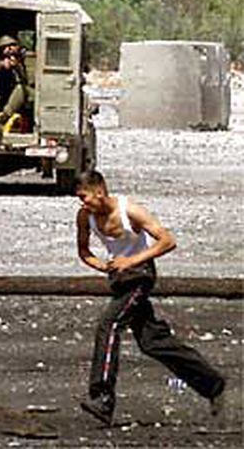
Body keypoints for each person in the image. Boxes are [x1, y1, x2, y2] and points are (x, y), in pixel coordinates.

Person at [75, 170, 225, 427]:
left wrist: (130, 261)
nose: (82, 203)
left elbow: (168, 241)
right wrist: (104, 266)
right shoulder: (85, 216)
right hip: (121, 280)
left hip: (141, 275)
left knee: (109, 325)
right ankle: (212, 384)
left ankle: (103, 399)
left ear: (99, 192)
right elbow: (84, 251)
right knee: (152, 342)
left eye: (84, 197)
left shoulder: (130, 211)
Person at [0, 35, 31, 131]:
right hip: (0, 94)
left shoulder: (26, 60)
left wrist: (18, 66)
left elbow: (28, 81)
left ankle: (2, 119)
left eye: (12, 46)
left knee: (21, 89)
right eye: (6, 47)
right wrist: (2, 64)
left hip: (18, 97)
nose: (9, 50)